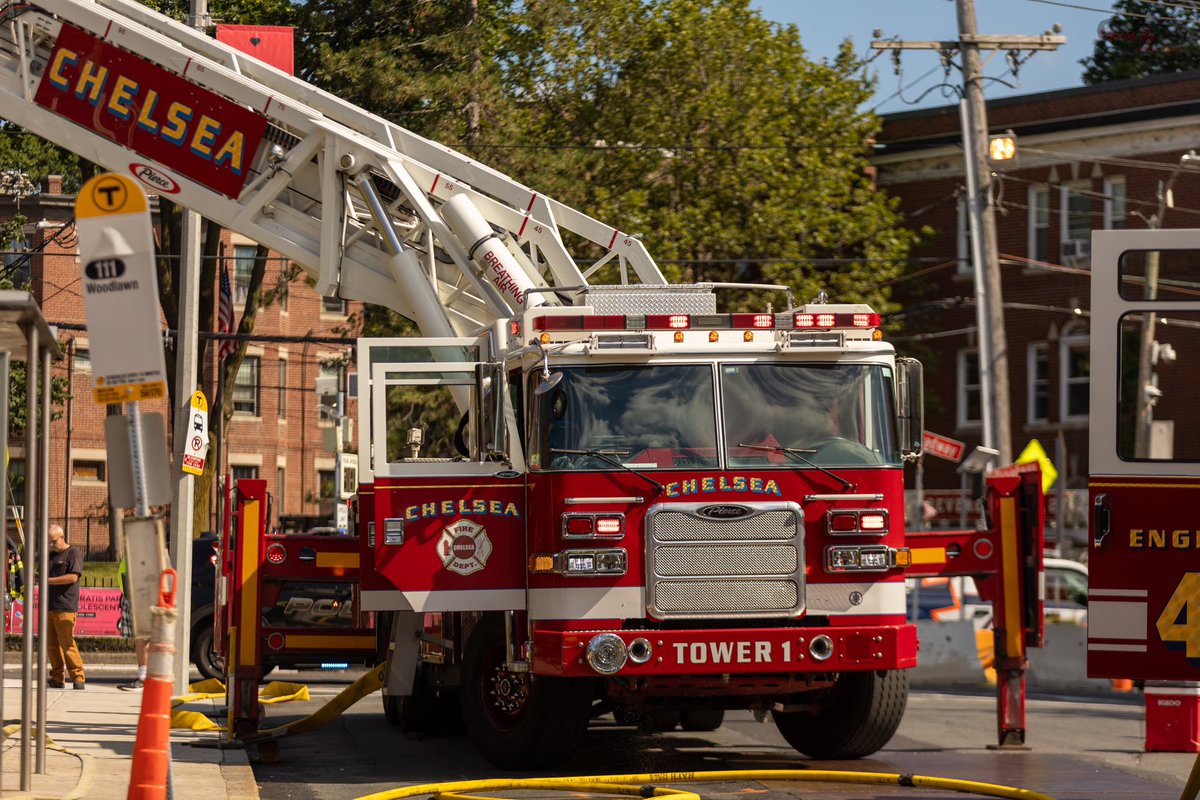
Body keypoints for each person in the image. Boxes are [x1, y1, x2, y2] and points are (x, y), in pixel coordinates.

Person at [46, 523, 85, 690]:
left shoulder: (73, 553)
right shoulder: (49, 555)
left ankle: (78, 677)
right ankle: (57, 677)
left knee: (67, 643)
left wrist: (49, 581)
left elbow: (73, 577)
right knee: (52, 645)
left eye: (53, 541)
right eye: (49, 542)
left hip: (65, 606)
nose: (51, 545)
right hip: (50, 606)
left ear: (62, 537)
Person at [116, 556, 149, 690]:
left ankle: (145, 677)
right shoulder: (131, 549)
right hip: (131, 596)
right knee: (139, 639)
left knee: (144, 638)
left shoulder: (145, 549)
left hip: (142, 597)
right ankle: (143, 675)